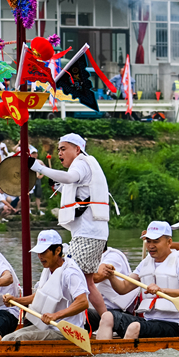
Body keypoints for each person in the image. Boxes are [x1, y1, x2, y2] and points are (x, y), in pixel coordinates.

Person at [32, 133, 112, 317]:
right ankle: (107, 319)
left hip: (89, 234)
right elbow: (71, 187)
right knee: (88, 282)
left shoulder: (81, 163)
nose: (60, 153)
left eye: (63, 148)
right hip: (90, 233)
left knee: (64, 271)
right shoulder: (83, 165)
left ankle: (64, 315)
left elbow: (69, 179)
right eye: (58, 149)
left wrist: (39, 168)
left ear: (77, 149)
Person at [96, 221, 179, 340]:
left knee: (134, 327)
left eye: (156, 241)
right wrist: (111, 276)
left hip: (174, 325)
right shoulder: (145, 263)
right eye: (148, 241)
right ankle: (103, 356)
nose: (150, 245)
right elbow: (123, 288)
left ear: (169, 242)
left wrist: (161, 290)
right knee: (107, 316)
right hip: (149, 321)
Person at [2, 230, 89, 341]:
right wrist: (15, 300)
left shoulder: (71, 272)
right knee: (7, 339)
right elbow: (39, 296)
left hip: (66, 332)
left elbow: (83, 302)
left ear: (57, 250)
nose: (39, 257)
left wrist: (56, 315)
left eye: (43, 252)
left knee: (17, 339)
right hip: (47, 327)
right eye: (38, 253)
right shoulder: (48, 269)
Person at [86, 244, 139, 332]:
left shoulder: (113, 256)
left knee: (80, 313)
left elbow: (97, 277)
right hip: (99, 312)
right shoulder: (87, 258)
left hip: (118, 312)